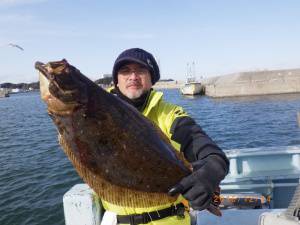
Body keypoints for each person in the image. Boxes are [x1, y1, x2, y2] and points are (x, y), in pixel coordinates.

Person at [103, 48, 229, 225]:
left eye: (140, 70)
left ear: (151, 79)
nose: (133, 76)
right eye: (125, 71)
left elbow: (210, 152)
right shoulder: (99, 114)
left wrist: (209, 172)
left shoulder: (170, 116)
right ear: (116, 80)